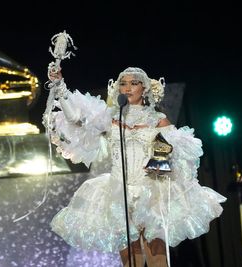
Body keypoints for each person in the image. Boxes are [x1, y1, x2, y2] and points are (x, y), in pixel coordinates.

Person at [43, 67, 227, 267]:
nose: (127, 88)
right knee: (131, 260)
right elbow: (76, 118)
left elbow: (181, 150)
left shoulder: (157, 120)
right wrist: (60, 86)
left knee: (157, 259)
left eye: (133, 83)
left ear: (144, 88)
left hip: (151, 192)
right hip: (118, 192)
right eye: (123, 83)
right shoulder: (110, 118)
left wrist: (161, 158)